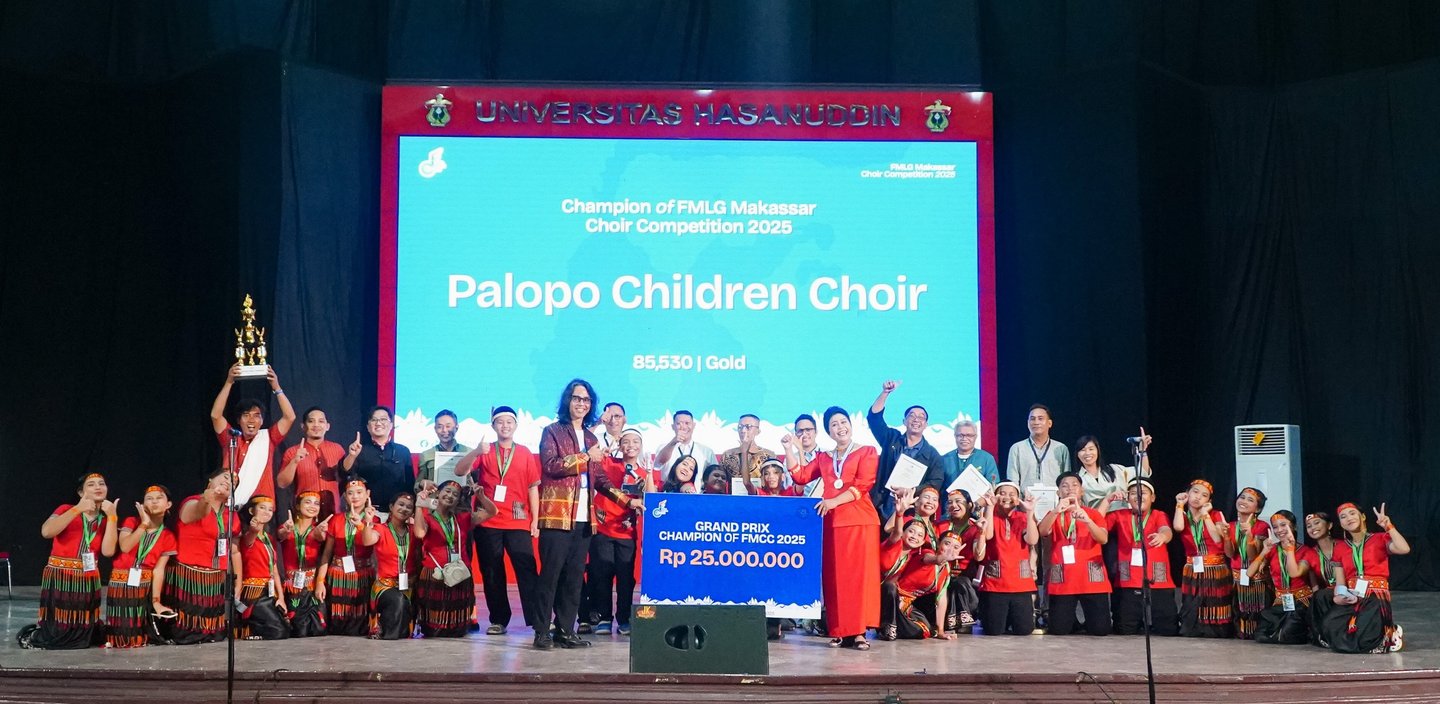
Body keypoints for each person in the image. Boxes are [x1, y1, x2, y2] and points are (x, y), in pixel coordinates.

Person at [781, 405, 880, 650]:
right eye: (834, 425)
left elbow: (864, 484)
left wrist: (834, 501)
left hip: (860, 521)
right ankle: (839, 630)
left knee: (858, 578)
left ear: (851, 425)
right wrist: (789, 449)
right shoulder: (824, 457)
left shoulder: (867, 451)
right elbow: (801, 476)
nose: (840, 427)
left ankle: (859, 632)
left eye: (843, 422)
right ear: (828, 431)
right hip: (832, 522)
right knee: (835, 578)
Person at [534, 378, 615, 650]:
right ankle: (542, 631)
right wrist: (585, 457)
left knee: (573, 578)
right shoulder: (552, 431)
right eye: (576, 398)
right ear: (567, 400)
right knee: (550, 576)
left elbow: (599, 479)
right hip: (557, 516)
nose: (581, 403)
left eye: (586, 400)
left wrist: (628, 500)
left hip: (584, 518)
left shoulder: (591, 438)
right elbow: (551, 465)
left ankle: (565, 631)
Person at [456, 405, 542, 635]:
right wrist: (476, 451)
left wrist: (536, 519)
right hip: (488, 520)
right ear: (493, 425)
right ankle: (499, 620)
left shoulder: (524, 452)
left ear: (516, 425)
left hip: (518, 520)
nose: (505, 426)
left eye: (509, 422)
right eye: (500, 422)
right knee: (492, 571)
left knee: (526, 569)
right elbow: (459, 471)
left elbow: (533, 488)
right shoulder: (485, 451)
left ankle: (538, 619)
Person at [20, 473, 118, 649]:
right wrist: (77, 509)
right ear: (81, 492)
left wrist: (112, 517)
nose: (98, 487)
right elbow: (47, 531)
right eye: (91, 484)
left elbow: (108, 551)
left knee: (83, 625)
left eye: (101, 483)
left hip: (87, 577)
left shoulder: (104, 520)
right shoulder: (65, 509)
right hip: (61, 575)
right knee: (60, 627)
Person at [1312, 502, 1411, 653]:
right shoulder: (1340, 548)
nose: (1348, 518)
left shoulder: (1379, 538)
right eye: (1343, 517)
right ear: (1341, 523)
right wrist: (1339, 597)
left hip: (1375, 596)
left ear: (1363, 517)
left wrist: (1388, 526)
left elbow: (1404, 549)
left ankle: (1390, 632)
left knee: (1364, 639)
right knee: (1329, 625)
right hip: (1354, 596)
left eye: (1352, 513)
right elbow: (1340, 581)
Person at [585, 427, 652, 636]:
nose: (631, 446)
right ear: (620, 446)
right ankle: (605, 617)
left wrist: (648, 476)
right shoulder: (609, 463)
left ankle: (624, 618)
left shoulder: (643, 473)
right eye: (626, 442)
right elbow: (592, 463)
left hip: (626, 532)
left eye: (635, 442)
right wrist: (605, 449)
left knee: (625, 578)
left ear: (641, 446)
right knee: (602, 574)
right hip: (603, 528)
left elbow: (651, 499)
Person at [167, 468, 240, 644]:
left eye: (234, 483)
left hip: (216, 578)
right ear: (210, 481)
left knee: (214, 633)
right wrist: (206, 500)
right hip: (190, 576)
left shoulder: (231, 514)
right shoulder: (192, 501)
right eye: (225, 477)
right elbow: (195, 514)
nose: (229, 482)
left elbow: (235, 551)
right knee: (189, 631)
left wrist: (238, 582)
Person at [413, 480, 495, 638]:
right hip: (435, 572)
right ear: (438, 493)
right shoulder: (428, 518)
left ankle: (457, 627)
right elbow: (419, 533)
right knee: (434, 624)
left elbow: (492, 512)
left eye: (455, 494)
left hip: (460, 572)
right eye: (447, 491)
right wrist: (418, 505)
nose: (450, 496)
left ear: (458, 500)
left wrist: (482, 497)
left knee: (457, 626)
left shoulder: (463, 518)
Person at [210, 363, 295, 504]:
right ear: (239, 420)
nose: (251, 420)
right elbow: (215, 415)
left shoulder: (269, 437)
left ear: (262, 421)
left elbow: (289, 417)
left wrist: (276, 388)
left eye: (256, 415)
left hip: (260, 504)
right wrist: (229, 382)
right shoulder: (230, 437)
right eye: (246, 415)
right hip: (229, 503)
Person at [1038, 472, 1111, 636]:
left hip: (1090, 577)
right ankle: (1073, 622)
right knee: (1058, 630)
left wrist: (1088, 521)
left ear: (1082, 491)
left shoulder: (1093, 514)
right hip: (1064, 577)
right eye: (1064, 486)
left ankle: (1087, 622)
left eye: (1075, 485)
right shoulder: (1054, 514)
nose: (1070, 489)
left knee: (1101, 630)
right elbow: (1042, 531)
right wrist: (1056, 511)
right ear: (1058, 492)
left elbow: (1103, 539)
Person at [106, 485, 177, 648]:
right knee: (120, 634)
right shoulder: (132, 522)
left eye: (159, 498)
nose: (154, 502)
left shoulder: (168, 536)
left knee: (137, 633)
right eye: (149, 499)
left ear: (168, 504)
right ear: (143, 505)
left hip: (143, 585)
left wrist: (156, 601)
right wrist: (143, 524)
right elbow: (125, 546)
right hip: (120, 583)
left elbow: (158, 570)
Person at [1104, 479, 1177, 636]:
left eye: (1142, 493)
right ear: (1127, 498)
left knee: (1168, 629)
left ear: (1153, 497)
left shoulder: (1159, 515)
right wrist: (1107, 501)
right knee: (1124, 629)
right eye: (1132, 493)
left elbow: (1166, 530)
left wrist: (1163, 536)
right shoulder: (1119, 515)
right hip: (1128, 578)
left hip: (1157, 578)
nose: (1137, 496)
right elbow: (1097, 524)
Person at [867, 381, 945, 521]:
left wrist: (911, 491)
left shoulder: (933, 455)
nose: (916, 419)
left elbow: (935, 482)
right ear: (904, 421)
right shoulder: (891, 439)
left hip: (911, 512)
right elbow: (874, 419)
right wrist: (885, 393)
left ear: (926, 424)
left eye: (921, 417)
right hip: (880, 506)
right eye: (911, 416)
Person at [974, 481, 1039, 636]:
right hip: (995, 582)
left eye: (1012, 494)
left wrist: (1030, 512)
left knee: (1024, 630)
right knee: (993, 630)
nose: (1007, 497)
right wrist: (990, 507)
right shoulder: (989, 515)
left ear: (1018, 498)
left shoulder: (1022, 517)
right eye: (1002, 493)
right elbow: (988, 535)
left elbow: (1032, 540)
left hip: (1020, 582)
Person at [318, 479, 378, 636]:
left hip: (362, 575)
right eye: (350, 493)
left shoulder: (374, 520)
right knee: (337, 624)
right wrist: (320, 581)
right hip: (338, 575)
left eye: (359, 492)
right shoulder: (336, 519)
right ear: (344, 496)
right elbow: (327, 553)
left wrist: (363, 524)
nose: (355, 496)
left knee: (359, 623)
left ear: (367, 494)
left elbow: (375, 549)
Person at [1174, 479, 1232, 638]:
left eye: (1204, 495)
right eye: (1195, 492)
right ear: (1187, 493)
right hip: (1192, 567)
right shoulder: (1183, 515)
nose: (1198, 497)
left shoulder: (1215, 515)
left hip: (1215, 568)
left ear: (1209, 501)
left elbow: (1217, 539)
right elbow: (1178, 527)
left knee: (1213, 603)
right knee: (1191, 602)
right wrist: (1179, 504)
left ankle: (1215, 631)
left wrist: (1206, 515)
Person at [878, 519, 952, 640]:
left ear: (922, 541)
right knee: (889, 587)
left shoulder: (912, 555)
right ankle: (889, 627)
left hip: (903, 603)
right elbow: (928, 558)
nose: (914, 536)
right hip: (879, 594)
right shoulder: (894, 545)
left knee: (924, 630)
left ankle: (894, 627)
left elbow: (941, 600)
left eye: (919, 535)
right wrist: (899, 514)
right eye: (911, 531)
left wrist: (941, 631)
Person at [1252, 510, 1317, 645]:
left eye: (1283, 525)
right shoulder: (1273, 549)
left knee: (1286, 635)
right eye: (1275, 527)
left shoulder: (1306, 551)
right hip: (1280, 602)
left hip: (1300, 602)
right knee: (1261, 634)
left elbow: (1294, 573)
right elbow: (1249, 573)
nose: (1279, 530)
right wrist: (1264, 552)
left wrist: (1290, 549)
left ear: (1294, 527)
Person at [360, 492, 419, 639]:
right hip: (385, 585)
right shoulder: (381, 529)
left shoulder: (414, 531)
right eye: (401, 505)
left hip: (409, 585)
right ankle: (386, 635)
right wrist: (367, 522)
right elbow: (367, 541)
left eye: (409, 507)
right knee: (397, 599)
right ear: (391, 507)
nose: (404, 509)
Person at [342, 405, 415, 513]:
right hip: (367, 511)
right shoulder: (360, 449)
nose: (378, 423)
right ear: (368, 427)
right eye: (374, 420)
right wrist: (352, 455)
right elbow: (345, 472)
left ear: (391, 425)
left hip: (396, 512)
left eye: (383, 419)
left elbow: (410, 483)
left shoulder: (402, 451)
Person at [234, 495, 288, 640]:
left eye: (270, 509)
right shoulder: (247, 535)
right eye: (262, 508)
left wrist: (281, 597)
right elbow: (249, 539)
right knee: (278, 631)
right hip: (254, 593)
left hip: (269, 592)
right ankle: (253, 634)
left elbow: (274, 570)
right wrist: (253, 530)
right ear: (252, 511)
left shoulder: (269, 538)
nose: (267, 512)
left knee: (287, 627)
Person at [278, 407, 346, 519]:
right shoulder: (293, 452)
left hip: (334, 513)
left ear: (327, 426)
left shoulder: (337, 450)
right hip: (305, 515)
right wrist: (295, 461)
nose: (316, 425)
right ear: (303, 426)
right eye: (311, 421)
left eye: (321, 421)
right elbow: (282, 483)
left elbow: (346, 478)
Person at [277, 491, 329, 636]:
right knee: (298, 629)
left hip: (311, 585)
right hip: (291, 586)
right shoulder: (287, 526)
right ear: (298, 506)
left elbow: (320, 537)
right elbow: (281, 535)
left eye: (316, 503)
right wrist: (286, 530)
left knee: (318, 628)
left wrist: (320, 533)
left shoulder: (318, 529)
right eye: (308, 502)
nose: (313, 506)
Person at [1225, 487, 1271, 639]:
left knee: (1257, 611)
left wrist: (1249, 535)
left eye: (1250, 500)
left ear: (1257, 509)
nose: (1243, 501)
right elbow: (1230, 554)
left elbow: (1253, 557)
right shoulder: (1232, 526)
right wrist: (1226, 536)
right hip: (1238, 577)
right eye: (1242, 497)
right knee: (1239, 610)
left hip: (1256, 578)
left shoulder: (1262, 526)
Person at [934, 490, 982, 634]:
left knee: (960, 583)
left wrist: (982, 532)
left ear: (970, 505)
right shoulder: (940, 526)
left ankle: (960, 620)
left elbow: (979, 556)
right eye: (950, 502)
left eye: (958, 501)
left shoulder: (976, 527)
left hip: (965, 576)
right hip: (940, 572)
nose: (953, 505)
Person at [1071, 433, 1151, 511]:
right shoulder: (1076, 479)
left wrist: (1143, 451)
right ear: (1077, 454)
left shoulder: (1115, 469)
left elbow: (1142, 473)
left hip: (1123, 516)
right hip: (1097, 518)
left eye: (1091, 449)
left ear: (1098, 450)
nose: (1087, 453)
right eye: (1083, 450)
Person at [1005, 404, 1069, 490]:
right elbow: (1013, 482)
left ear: (1049, 423)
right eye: (1032, 419)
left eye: (1040, 418)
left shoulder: (1061, 448)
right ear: (1028, 423)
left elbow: (1066, 480)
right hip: (1025, 498)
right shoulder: (1017, 448)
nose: (1036, 422)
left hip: (1055, 498)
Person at [720, 413, 777, 492]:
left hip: (761, 498)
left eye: (748, 427)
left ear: (758, 431)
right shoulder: (727, 455)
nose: (743, 431)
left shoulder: (769, 456)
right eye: (740, 427)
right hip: (734, 499)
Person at [653, 410, 716, 480]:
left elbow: (715, 473)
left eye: (687, 423)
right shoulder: (664, 447)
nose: (683, 427)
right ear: (673, 426)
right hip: (669, 487)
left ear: (693, 425)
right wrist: (673, 442)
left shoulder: (707, 451)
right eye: (679, 423)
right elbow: (658, 464)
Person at [940, 420, 1000, 493]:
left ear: (976, 437)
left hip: (979, 500)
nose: (964, 439)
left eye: (969, 435)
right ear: (955, 436)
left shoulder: (987, 458)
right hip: (949, 499)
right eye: (960, 435)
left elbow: (993, 486)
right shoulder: (944, 459)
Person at [418, 409, 470, 486]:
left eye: (448, 426)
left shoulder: (469, 453)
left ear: (456, 427)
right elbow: (417, 484)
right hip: (436, 493)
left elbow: (476, 481)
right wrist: (422, 484)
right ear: (435, 429)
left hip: (462, 493)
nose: (444, 430)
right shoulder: (426, 455)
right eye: (439, 427)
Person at [1303, 511, 1338, 590]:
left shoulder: (1344, 546)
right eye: (1309, 526)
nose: (1313, 527)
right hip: (1327, 594)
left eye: (1316, 523)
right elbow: (1315, 586)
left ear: (1329, 525)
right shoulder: (1311, 553)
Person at [791, 414, 823, 497]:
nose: (804, 434)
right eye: (800, 431)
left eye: (808, 430)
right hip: (800, 502)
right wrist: (800, 450)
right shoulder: (791, 459)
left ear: (816, 432)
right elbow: (789, 489)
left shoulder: (827, 455)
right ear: (795, 434)